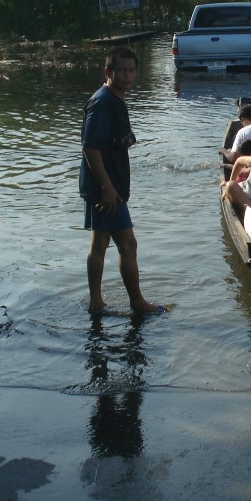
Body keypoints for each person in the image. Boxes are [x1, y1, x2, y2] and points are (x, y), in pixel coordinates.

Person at [80, 47, 165, 316]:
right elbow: (90, 147)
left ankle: (96, 302)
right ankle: (137, 302)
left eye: (132, 70)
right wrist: (107, 187)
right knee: (128, 244)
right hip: (106, 189)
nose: (128, 75)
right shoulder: (103, 102)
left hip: (106, 186)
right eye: (122, 70)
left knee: (100, 244)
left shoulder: (114, 99)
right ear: (108, 72)